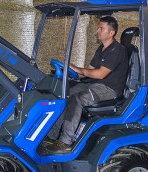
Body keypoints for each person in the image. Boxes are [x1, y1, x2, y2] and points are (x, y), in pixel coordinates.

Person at [45, 16, 129, 153]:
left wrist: (78, 69)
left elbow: (100, 74)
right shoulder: (101, 48)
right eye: (98, 28)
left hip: (108, 89)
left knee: (78, 99)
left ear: (111, 32)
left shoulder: (117, 50)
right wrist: (69, 69)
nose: (98, 31)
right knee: (64, 93)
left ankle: (65, 142)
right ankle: (52, 135)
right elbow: (87, 71)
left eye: (101, 28)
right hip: (94, 84)